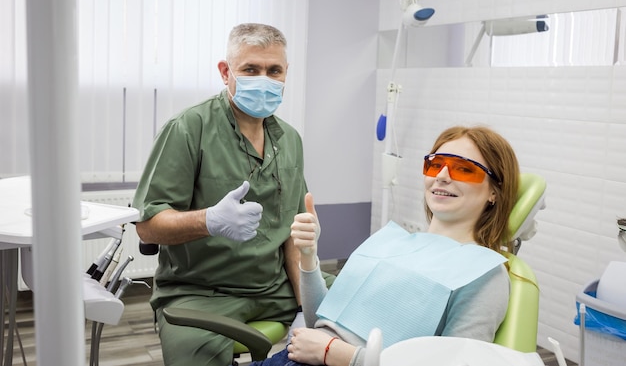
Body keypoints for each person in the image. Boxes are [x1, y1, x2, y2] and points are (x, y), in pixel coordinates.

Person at [251, 125, 520, 366]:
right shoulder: (393, 241)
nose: (442, 176)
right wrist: (309, 257)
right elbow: (319, 322)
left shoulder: (483, 272)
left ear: (495, 192)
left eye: (464, 169)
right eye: (435, 165)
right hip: (293, 356)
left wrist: (336, 353)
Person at [132, 23, 308, 366]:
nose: (264, 79)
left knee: (355, 311)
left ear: (286, 74)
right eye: (251, 70)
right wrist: (209, 220)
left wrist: (306, 307)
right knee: (194, 355)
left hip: (274, 286)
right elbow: (148, 225)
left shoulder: (290, 139)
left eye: (274, 71)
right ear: (226, 72)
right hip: (200, 291)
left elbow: (293, 233)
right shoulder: (188, 128)